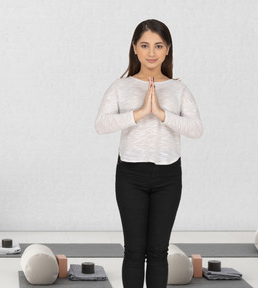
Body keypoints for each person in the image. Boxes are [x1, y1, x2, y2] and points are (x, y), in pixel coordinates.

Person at [95, 19, 202, 288]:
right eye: (144, 45)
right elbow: (101, 124)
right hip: (131, 175)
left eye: (158, 45)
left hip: (168, 176)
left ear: (168, 50)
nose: (151, 52)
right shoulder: (121, 87)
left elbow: (196, 129)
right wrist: (140, 113)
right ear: (134, 48)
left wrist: (163, 114)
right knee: (134, 251)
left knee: (158, 252)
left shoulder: (179, 89)